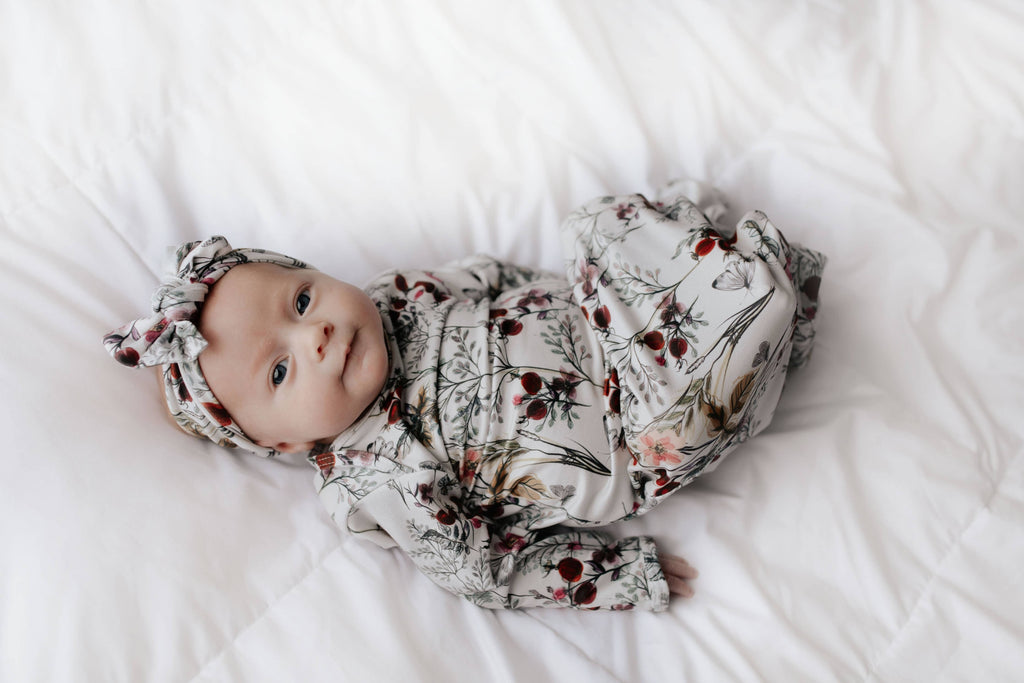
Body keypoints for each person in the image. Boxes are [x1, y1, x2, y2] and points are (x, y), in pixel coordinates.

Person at [104, 181, 825, 611]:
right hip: (628, 430)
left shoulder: (396, 297)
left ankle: (717, 284)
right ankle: (757, 307)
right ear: (285, 445)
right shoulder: (375, 478)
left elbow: (494, 278)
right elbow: (487, 569)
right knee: (696, 406)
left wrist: (571, 293)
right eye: (281, 372)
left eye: (300, 298)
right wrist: (614, 574)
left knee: (597, 224)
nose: (316, 334)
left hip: (600, 318)